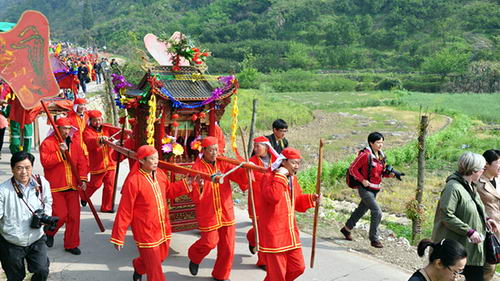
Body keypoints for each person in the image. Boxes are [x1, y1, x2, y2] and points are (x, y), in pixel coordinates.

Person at [111, 145, 195, 281]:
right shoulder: (134, 181)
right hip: (145, 231)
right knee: (155, 271)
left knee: (160, 257)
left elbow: (169, 191)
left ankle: (139, 266)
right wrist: (119, 236)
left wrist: (187, 183)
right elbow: (125, 210)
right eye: (152, 159)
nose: (156, 161)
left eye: (157, 158)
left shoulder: (160, 174)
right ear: (142, 161)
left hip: (162, 227)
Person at [187, 136, 248, 281]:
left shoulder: (223, 163)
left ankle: (221, 275)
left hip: (226, 209)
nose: (215, 153)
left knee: (228, 246)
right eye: (211, 150)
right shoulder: (197, 168)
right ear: (204, 151)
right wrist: (200, 186)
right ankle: (195, 257)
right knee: (210, 242)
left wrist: (246, 169)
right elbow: (193, 192)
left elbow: (237, 174)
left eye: (216, 149)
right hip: (208, 211)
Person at [432, 152, 498, 281]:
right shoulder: (453, 188)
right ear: (473, 170)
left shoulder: (470, 186)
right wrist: (469, 231)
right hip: (456, 249)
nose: (483, 172)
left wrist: (487, 219)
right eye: (482, 169)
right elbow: (446, 216)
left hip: (470, 249)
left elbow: (475, 209)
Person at [258, 147, 320, 281]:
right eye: (293, 163)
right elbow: (273, 197)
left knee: (298, 267)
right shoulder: (268, 177)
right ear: (283, 162)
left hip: (290, 233)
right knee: (277, 274)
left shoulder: (292, 179)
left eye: (298, 163)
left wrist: (311, 198)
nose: (296, 166)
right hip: (274, 234)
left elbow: (296, 202)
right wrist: (280, 176)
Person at [0, 152, 53, 281]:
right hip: (12, 242)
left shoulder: (42, 182)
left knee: (42, 271)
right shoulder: (3, 190)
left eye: (27, 167)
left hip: (36, 238)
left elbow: (48, 201)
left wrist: (44, 215)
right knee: (16, 277)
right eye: (19, 168)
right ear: (12, 169)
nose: (24, 172)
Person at [40, 117, 88, 255]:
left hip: (72, 185)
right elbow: (46, 162)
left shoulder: (76, 144)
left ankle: (71, 244)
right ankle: (49, 232)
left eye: (69, 129)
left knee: (74, 217)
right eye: (64, 128)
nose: (67, 132)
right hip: (56, 186)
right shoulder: (47, 143)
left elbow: (82, 163)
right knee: (60, 215)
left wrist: (83, 179)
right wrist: (60, 153)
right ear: (57, 129)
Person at [340, 132, 394, 248]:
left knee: (361, 210)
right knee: (377, 211)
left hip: (375, 189)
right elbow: (352, 169)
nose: (380, 145)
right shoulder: (365, 155)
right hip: (365, 189)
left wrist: (390, 174)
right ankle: (374, 239)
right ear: (371, 143)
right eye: (378, 142)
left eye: (382, 142)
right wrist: (362, 180)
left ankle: (346, 229)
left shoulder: (381, 156)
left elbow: (380, 173)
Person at [246, 136, 278, 269]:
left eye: (258, 146)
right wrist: (247, 169)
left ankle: (251, 236)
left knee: (266, 230)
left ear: (266, 147)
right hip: (257, 200)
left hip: (271, 200)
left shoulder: (276, 160)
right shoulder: (252, 162)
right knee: (262, 231)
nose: (255, 149)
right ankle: (263, 261)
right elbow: (246, 180)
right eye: (254, 146)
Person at [82, 110, 117, 212]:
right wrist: (100, 139)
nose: (97, 123)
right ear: (91, 121)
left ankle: (107, 207)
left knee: (110, 186)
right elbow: (89, 141)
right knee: (95, 185)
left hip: (110, 162)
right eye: (95, 121)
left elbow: (118, 133)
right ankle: (84, 195)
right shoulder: (87, 131)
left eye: (99, 120)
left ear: (102, 119)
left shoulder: (107, 127)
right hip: (98, 163)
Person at [475, 149, 500, 281]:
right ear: (487, 164)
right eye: (499, 163)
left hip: (497, 231)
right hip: (485, 232)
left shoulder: (498, 179)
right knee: (487, 268)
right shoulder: (477, 182)